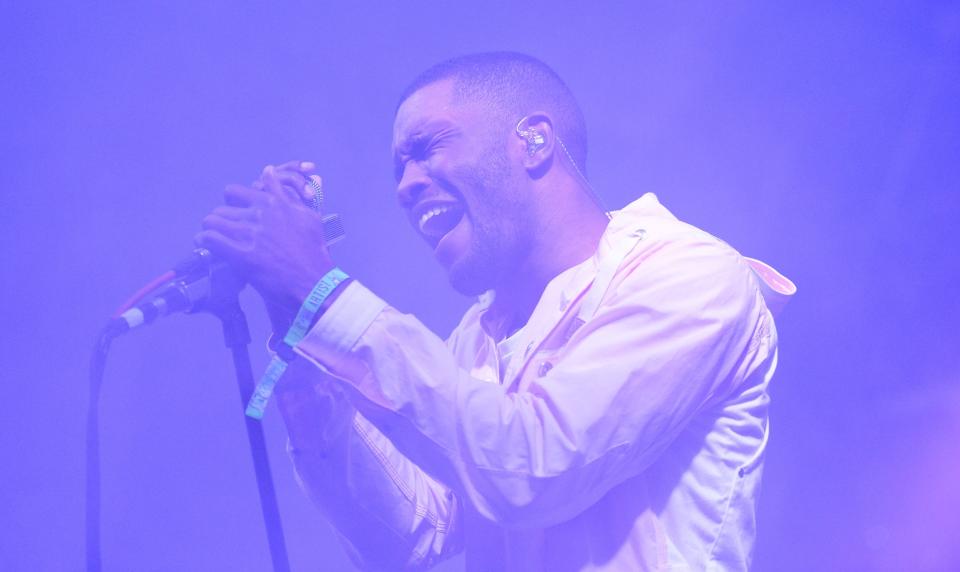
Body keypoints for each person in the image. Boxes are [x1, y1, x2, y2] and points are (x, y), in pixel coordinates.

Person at [196, 52, 796, 571]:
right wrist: (300, 335)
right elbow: (413, 533)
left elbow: (534, 468)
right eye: (398, 168)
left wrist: (322, 292)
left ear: (533, 141)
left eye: (426, 149)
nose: (405, 185)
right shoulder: (479, 336)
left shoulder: (687, 275)